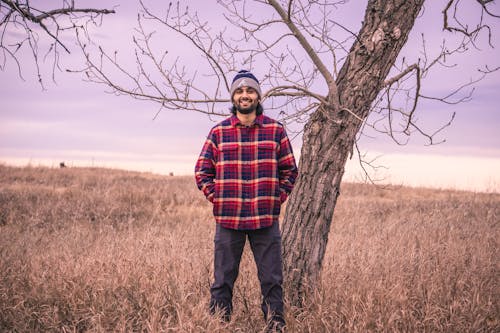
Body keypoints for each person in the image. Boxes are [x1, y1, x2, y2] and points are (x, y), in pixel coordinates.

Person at [195, 70, 298, 331]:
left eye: (250, 91)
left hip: (265, 220)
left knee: (272, 280)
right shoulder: (218, 132)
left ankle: (275, 327)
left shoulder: (275, 130)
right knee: (222, 281)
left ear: (258, 96)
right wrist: (217, 199)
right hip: (229, 220)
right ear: (233, 97)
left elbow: (290, 170)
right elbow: (202, 171)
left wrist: (276, 199)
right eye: (240, 92)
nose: (245, 95)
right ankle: (219, 326)